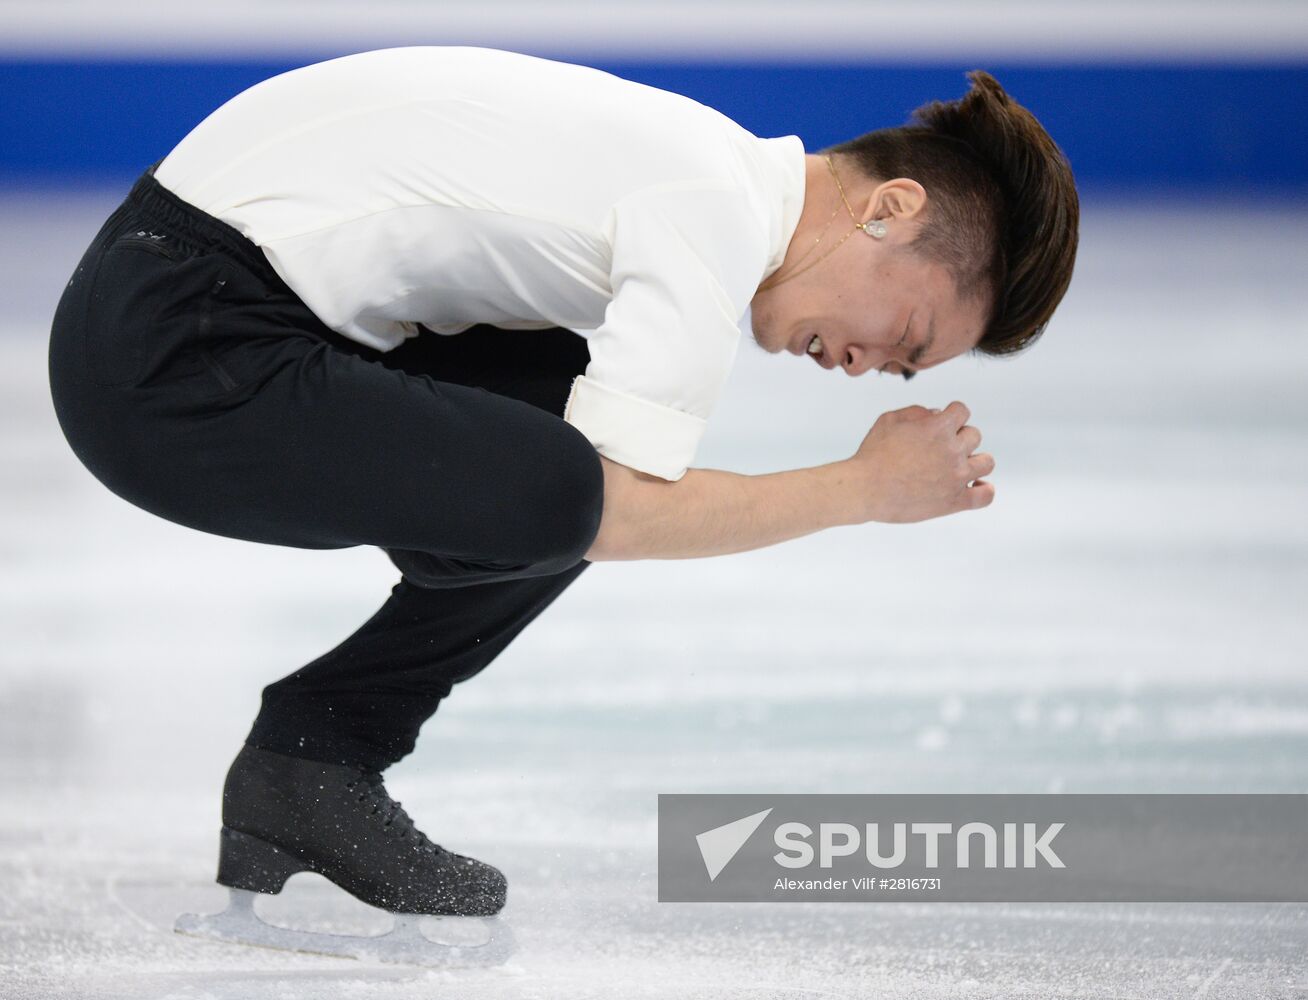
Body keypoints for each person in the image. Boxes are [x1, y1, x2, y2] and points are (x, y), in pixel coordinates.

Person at [47, 46, 1078, 957]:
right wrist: (861, 489)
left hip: (188, 301)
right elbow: (609, 512)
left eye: (899, 370)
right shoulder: (708, 213)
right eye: (905, 332)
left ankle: (308, 765)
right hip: (166, 351)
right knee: (568, 485)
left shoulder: (707, 169)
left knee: (563, 413)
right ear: (891, 208)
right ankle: (323, 751)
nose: (868, 366)